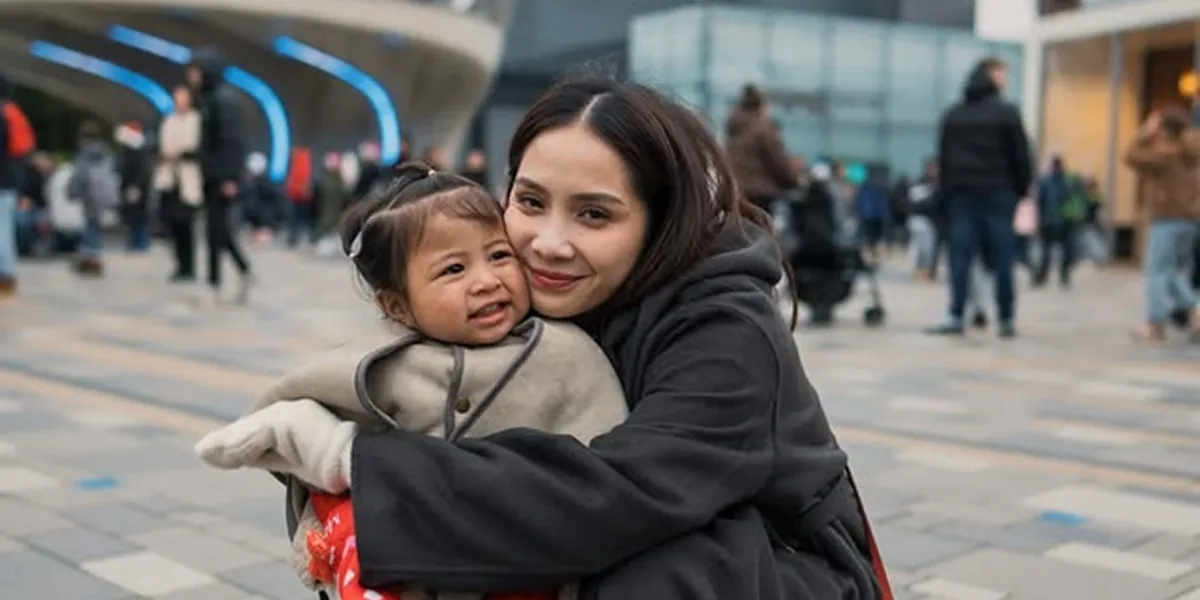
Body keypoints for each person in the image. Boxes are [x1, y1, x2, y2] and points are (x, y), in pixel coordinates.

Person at [196, 77, 889, 600]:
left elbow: (626, 492)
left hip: (787, 567)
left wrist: (355, 460)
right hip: (670, 530)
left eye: (594, 213)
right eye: (529, 202)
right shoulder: (526, 291)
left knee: (643, 569)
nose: (546, 244)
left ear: (659, 220)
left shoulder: (726, 327)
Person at [195, 163, 628, 600]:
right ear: (397, 306)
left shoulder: (563, 353)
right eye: (453, 270)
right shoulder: (376, 365)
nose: (486, 281)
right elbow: (297, 440)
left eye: (499, 255)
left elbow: (603, 477)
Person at [926, 57, 1032, 339]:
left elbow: (944, 159)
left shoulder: (954, 114)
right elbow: (1020, 155)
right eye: (1001, 74)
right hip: (999, 194)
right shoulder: (1007, 112)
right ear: (991, 77)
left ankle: (956, 314)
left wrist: (947, 193)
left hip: (962, 195)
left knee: (960, 256)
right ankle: (1006, 318)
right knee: (1002, 257)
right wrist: (1021, 189)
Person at [1123, 108, 1200, 343]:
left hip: (1166, 219)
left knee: (1156, 271)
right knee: (1175, 272)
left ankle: (1156, 324)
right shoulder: (1193, 151)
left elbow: (1131, 156)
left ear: (1164, 129)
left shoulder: (1165, 154)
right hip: (1191, 221)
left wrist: (1146, 132)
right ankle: (1194, 308)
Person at [186, 49, 253, 304]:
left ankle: (217, 282)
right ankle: (236, 273)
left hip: (221, 177)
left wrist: (230, 179)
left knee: (217, 229)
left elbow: (231, 142)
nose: (191, 78)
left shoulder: (224, 102)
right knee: (216, 230)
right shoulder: (210, 100)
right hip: (212, 174)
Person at [156, 84, 204, 283]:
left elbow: (197, 148)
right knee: (172, 225)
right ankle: (179, 264)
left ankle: (189, 265)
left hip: (188, 178)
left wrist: (181, 153)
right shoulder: (169, 121)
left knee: (187, 225)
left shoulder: (196, 121)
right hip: (170, 179)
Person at [725, 84, 796, 213]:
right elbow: (778, 162)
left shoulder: (734, 127)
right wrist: (794, 181)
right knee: (761, 229)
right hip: (760, 193)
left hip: (737, 190)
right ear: (762, 106)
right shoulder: (764, 129)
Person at [68, 120, 120, 277]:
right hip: (103, 194)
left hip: (88, 193)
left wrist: (72, 191)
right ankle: (95, 255)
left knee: (90, 224)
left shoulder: (84, 153)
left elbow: (80, 174)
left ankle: (90, 257)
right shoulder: (106, 152)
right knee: (95, 224)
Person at [0, 72, 32, 297]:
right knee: (4, 229)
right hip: (11, 180)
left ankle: (6, 275)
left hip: (1, 181)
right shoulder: (14, 113)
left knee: (1, 232)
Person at [115, 122, 153, 253]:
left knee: (137, 215)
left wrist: (135, 185)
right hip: (135, 186)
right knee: (135, 215)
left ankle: (140, 242)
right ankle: (137, 241)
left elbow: (138, 171)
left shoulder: (135, 152)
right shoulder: (139, 151)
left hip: (135, 186)